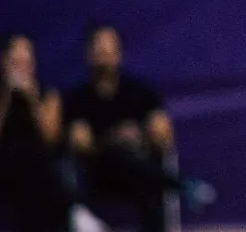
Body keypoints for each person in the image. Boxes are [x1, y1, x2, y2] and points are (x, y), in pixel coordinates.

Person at [63, 24, 209, 232]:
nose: (105, 58)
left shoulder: (140, 93)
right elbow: (80, 142)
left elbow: (164, 136)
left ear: (119, 54)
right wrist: (112, 138)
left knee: (147, 182)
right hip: (101, 174)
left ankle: (172, 184)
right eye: (100, 51)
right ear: (90, 55)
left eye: (110, 51)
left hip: (140, 171)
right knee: (118, 152)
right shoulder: (78, 99)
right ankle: (180, 184)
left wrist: (142, 137)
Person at [0, 34, 72, 232]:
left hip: (38, 169)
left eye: (26, 62)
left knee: (44, 169)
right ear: (4, 62)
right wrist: (7, 96)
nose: (21, 68)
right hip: (4, 164)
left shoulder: (48, 94)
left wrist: (31, 98)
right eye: (15, 62)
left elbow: (50, 137)